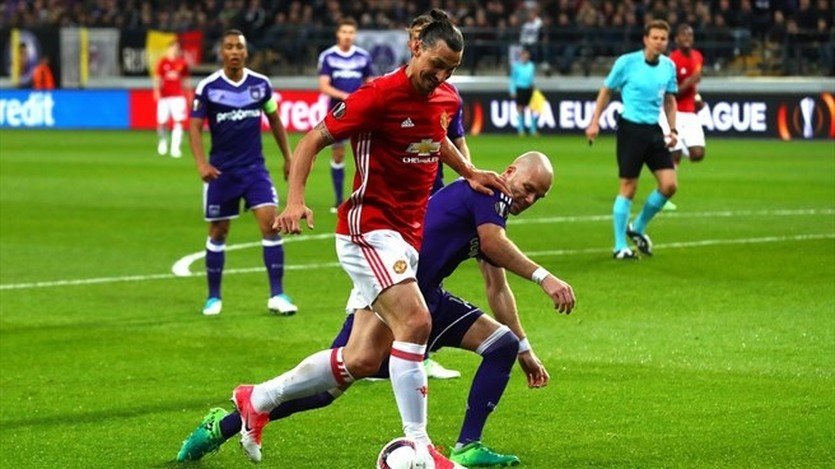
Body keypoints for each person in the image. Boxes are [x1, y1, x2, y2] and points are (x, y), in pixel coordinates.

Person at [228, 10, 509, 467]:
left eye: (451, 69)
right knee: (416, 322)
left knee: (361, 359)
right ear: (416, 48)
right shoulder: (377, 95)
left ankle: (257, 398)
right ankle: (420, 446)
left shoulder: (445, 97)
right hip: (368, 229)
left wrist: (470, 171)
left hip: (406, 237)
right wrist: (295, 200)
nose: (441, 76)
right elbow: (311, 140)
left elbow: (436, 136)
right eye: (436, 64)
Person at [176, 152, 576, 468]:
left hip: (426, 298)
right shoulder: (486, 193)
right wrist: (545, 278)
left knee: (502, 345)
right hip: (389, 292)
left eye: (538, 197)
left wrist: (525, 350)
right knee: (332, 385)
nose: (528, 199)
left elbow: (497, 287)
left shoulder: (493, 211)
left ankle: (467, 446)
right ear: (510, 172)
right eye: (528, 188)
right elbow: (492, 245)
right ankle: (224, 423)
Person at [188, 30, 297, 316]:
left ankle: (277, 295)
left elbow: (275, 120)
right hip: (221, 173)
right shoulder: (208, 87)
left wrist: (289, 157)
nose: (234, 51)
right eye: (229, 47)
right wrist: (201, 164)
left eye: (239, 47)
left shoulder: (260, 84)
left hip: (254, 170)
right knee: (218, 232)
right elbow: (195, 127)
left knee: (271, 225)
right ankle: (213, 297)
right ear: (221, 52)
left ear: (246, 52)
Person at [585, 19, 678, 260]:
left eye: (663, 38)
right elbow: (606, 90)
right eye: (655, 37)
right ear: (646, 39)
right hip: (631, 130)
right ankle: (619, 246)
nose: (659, 42)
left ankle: (637, 227)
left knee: (669, 185)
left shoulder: (668, 66)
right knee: (628, 187)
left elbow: (670, 100)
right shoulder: (627, 63)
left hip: (654, 130)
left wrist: (673, 129)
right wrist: (595, 122)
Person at [409, 12, 469, 380]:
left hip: (432, 193)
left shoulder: (448, 96)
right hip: (393, 203)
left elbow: (452, 139)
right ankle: (359, 351)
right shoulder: (389, 91)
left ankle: (421, 353)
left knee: (429, 272)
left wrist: (469, 176)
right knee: (389, 281)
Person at [317, 18, 374, 213]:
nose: (347, 36)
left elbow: (370, 82)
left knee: (365, 155)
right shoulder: (328, 56)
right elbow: (324, 86)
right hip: (338, 112)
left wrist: (362, 98)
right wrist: (345, 96)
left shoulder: (363, 56)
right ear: (338, 34)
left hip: (361, 112)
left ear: (355, 35)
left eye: (350, 32)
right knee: (338, 154)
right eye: (344, 32)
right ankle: (339, 199)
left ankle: (365, 197)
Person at [661, 23, 706, 212]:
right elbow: (670, 94)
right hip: (675, 112)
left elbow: (694, 87)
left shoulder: (698, 56)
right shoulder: (672, 61)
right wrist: (690, 82)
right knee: (676, 153)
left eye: (690, 35)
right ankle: (664, 196)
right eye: (683, 35)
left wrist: (697, 99)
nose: (687, 38)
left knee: (697, 154)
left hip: (691, 113)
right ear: (677, 39)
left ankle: (665, 152)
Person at [154, 40, 190, 158]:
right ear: (169, 49)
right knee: (162, 122)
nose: (175, 50)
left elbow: (186, 80)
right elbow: (158, 78)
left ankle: (175, 148)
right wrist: (156, 91)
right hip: (164, 96)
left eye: (177, 48)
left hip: (178, 97)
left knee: (178, 122)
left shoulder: (182, 63)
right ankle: (163, 143)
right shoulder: (163, 62)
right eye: (173, 48)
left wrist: (188, 94)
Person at [509, 49, 538, 137]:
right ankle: (521, 129)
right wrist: (512, 90)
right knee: (520, 108)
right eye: (523, 55)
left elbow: (532, 78)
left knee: (533, 109)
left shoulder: (531, 66)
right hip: (520, 88)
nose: (525, 57)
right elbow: (513, 79)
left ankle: (533, 129)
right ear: (521, 56)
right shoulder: (516, 66)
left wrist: (534, 88)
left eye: (526, 55)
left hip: (529, 88)